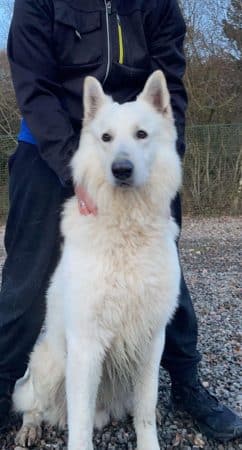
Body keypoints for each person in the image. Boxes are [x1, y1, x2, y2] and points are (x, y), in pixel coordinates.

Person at [0, 0, 241, 442]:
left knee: (162, 269)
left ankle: (188, 385)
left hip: (138, 131)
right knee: (26, 275)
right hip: (53, 132)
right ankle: (4, 388)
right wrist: (74, 165)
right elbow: (32, 82)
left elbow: (169, 81)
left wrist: (164, 155)